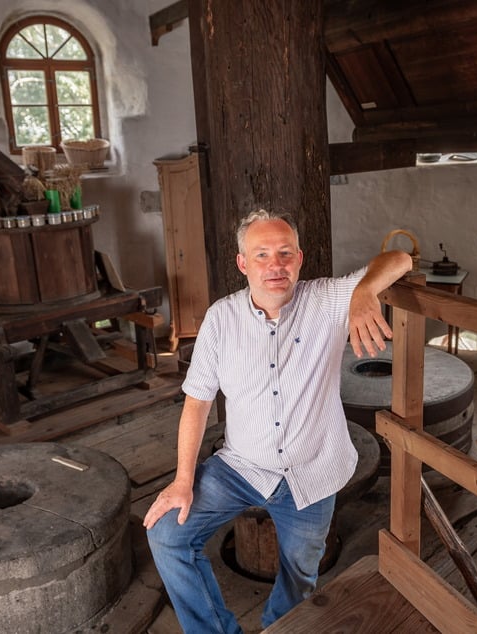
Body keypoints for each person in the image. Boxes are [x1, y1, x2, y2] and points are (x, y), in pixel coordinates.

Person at [144, 208, 413, 633]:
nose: (276, 265)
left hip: (313, 469)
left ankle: (278, 628)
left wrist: (364, 290)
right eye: (262, 254)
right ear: (243, 263)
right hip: (242, 465)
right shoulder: (220, 319)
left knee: (299, 575)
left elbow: (401, 258)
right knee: (166, 534)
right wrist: (182, 481)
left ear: (300, 259)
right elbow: (195, 404)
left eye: (285, 253)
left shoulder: (325, 299)